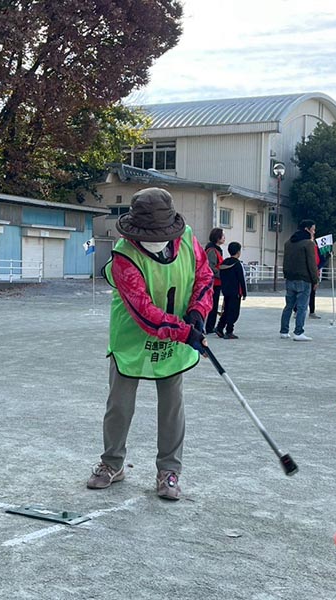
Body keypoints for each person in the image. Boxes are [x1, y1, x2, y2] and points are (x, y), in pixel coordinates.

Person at [87, 188, 213, 501]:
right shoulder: (123, 256)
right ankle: (112, 463)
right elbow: (145, 313)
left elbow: (204, 276)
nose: (155, 238)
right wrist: (185, 332)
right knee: (120, 403)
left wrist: (198, 311)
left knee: (172, 404)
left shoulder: (187, 239)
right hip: (133, 337)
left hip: (175, 333)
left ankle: (169, 471)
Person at [279, 219, 318, 341]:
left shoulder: (288, 243)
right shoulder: (308, 244)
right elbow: (312, 264)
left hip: (290, 278)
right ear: (307, 229)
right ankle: (298, 332)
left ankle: (284, 331)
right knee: (302, 307)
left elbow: (285, 261)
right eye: (313, 229)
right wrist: (315, 279)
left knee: (288, 306)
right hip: (304, 279)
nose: (314, 232)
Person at [215, 241, 247, 339]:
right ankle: (229, 331)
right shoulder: (237, 264)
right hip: (235, 292)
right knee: (233, 312)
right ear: (238, 252)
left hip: (226, 291)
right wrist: (244, 293)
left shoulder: (224, 263)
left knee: (227, 310)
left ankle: (220, 327)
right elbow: (241, 279)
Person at [203, 228, 225, 333]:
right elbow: (210, 266)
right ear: (217, 238)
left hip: (216, 282)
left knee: (214, 304)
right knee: (212, 304)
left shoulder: (217, 250)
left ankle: (210, 326)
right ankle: (208, 327)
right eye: (223, 236)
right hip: (213, 282)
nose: (224, 238)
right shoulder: (212, 250)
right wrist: (221, 273)